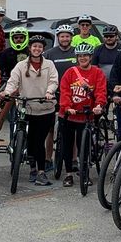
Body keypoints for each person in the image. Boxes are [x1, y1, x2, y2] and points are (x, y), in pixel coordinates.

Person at [0, 37, 58, 186]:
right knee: (31, 140)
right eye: (34, 46)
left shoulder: (49, 64)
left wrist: (50, 92)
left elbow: (53, 81)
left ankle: (41, 172)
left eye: (39, 47)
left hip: (45, 107)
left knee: (39, 140)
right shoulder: (21, 65)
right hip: (27, 106)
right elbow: (13, 81)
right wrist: (7, 92)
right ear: (30, 48)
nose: (37, 49)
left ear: (43, 49)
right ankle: (33, 167)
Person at [57, 43, 107, 187]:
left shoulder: (97, 73)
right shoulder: (70, 72)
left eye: (85, 56)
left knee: (84, 146)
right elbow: (65, 90)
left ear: (90, 57)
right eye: (80, 56)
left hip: (86, 115)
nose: (82, 58)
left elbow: (100, 92)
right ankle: (68, 174)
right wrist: (67, 107)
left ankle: (84, 173)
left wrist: (99, 105)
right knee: (67, 145)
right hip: (68, 115)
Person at [45, 24, 80, 172]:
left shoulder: (77, 53)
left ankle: (73, 159)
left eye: (67, 36)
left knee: (71, 129)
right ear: (58, 38)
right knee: (50, 128)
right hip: (53, 94)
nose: (65, 39)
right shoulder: (49, 54)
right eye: (62, 36)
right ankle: (47, 159)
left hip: (73, 96)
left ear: (72, 38)